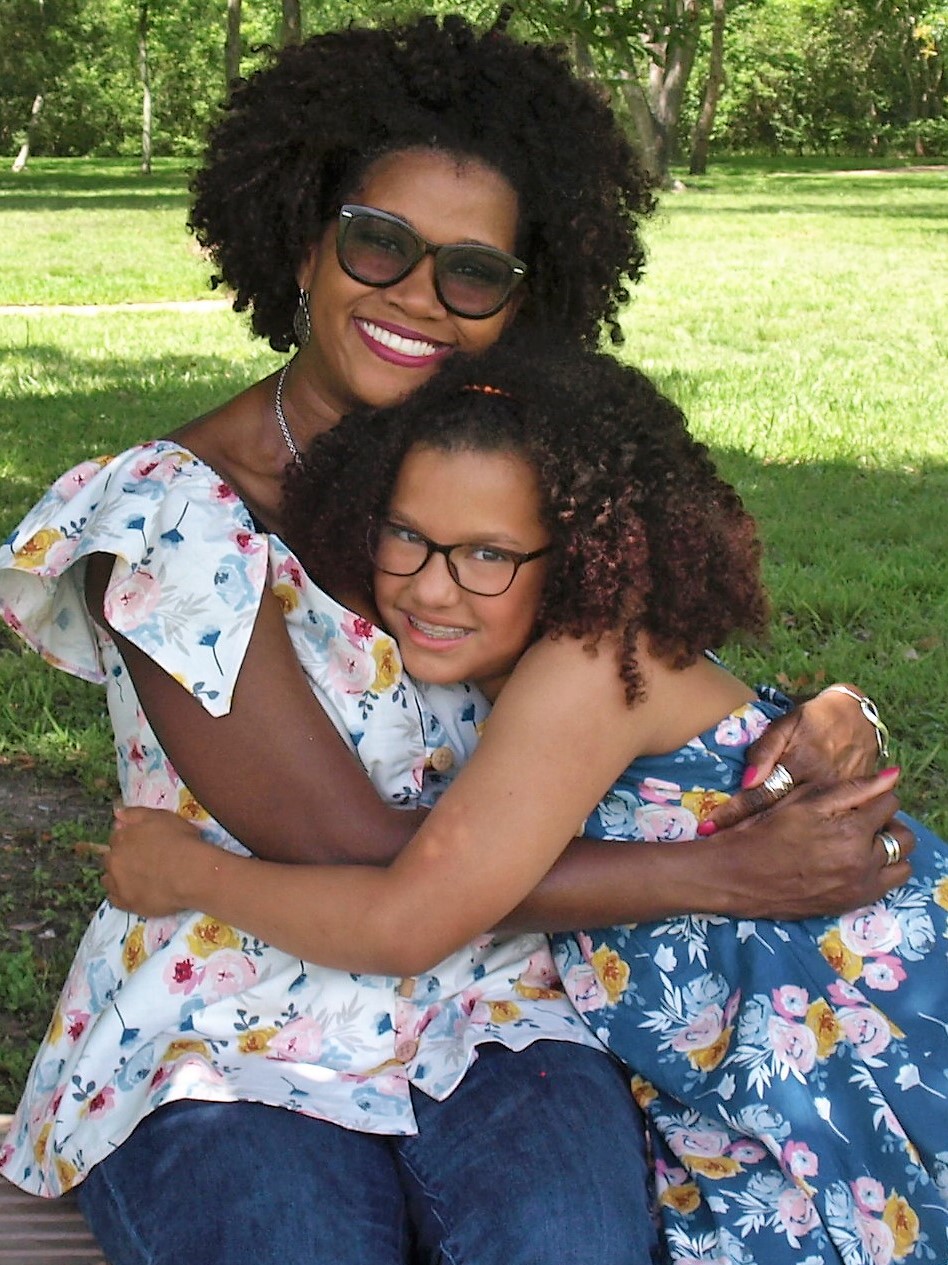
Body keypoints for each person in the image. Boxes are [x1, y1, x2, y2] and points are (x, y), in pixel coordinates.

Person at [0, 13, 900, 1265]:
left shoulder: (517, 481)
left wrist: (822, 715)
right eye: (379, 242)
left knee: (567, 1242)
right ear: (304, 242)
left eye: (473, 271)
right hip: (219, 1011)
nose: (419, 295)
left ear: (524, 302)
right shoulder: (169, 515)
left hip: (504, 1007)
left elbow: (640, 683)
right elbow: (357, 849)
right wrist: (722, 873)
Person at [103, 337, 947, 1264]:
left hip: (854, 1016)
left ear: (576, 554)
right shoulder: (561, 661)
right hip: (773, 1045)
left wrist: (191, 873)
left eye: (488, 554)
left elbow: (405, 920)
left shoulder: (583, 669)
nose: (432, 585)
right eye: (406, 534)